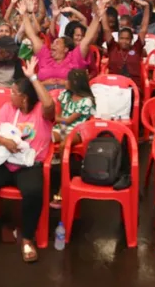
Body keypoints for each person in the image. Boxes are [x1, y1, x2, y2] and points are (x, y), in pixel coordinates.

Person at [0, 58, 55, 263]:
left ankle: (27, 238)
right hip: (5, 160)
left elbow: (49, 103)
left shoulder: (41, 113)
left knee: (33, 192)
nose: (10, 95)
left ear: (24, 97)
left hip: (29, 164)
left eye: (14, 92)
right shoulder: (8, 109)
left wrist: (33, 77)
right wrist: (4, 141)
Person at [20, 0, 101, 89]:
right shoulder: (45, 55)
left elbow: (88, 38)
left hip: (69, 95)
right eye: (53, 43)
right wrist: (24, 14)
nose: (52, 45)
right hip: (45, 95)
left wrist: (97, 17)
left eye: (57, 43)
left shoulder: (74, 57)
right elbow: (32, 36)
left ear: (66, 49)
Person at [50, 68, 95, 208]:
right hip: (63, 127)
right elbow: (58, 115)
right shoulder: (65, 95)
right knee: (47, 137)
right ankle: (47, 168)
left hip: (80, 129)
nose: (65, 82)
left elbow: (68, 120)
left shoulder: (87, 101)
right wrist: (56, 118)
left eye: (67, 80)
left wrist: (55, 118)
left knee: (64, 145)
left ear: (75, 83)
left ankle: (63, 184)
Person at [103, 0, 148, 88]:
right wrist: (103, 6)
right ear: (118, 39)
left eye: (127, 39)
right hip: (113, 86)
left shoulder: (136, 48)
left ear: (131, 40)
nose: (124, 41)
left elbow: (143, 29)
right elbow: (106, 28)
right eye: (122, 38)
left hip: (133, 87)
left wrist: (146, 7)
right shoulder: (113, 47)